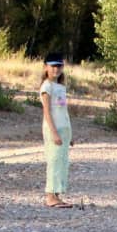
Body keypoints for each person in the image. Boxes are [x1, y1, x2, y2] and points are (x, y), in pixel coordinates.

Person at [40, 52, 73, 208]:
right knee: (53, 160)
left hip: (64, 129)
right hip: (54, 129)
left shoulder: (60, 87)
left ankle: (58, 194)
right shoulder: (46, 86)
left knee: (62, 161)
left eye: (59, 66)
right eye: (53, 66)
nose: (56, 69)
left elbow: (62, 111)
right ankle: (50, 195)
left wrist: (70, 134)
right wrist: (54, 132)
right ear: (46, 67)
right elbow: (47, 111)